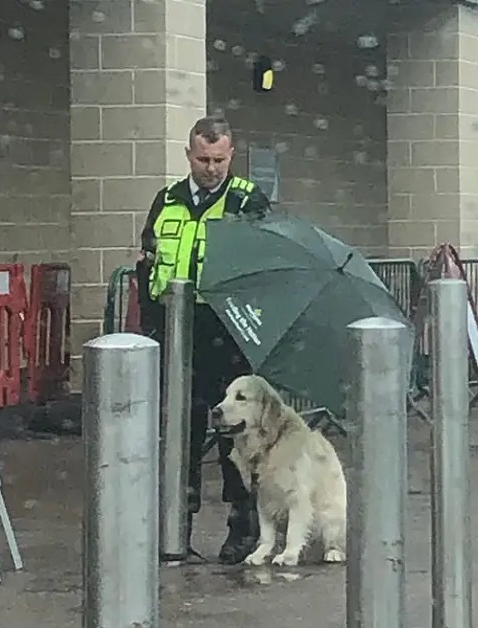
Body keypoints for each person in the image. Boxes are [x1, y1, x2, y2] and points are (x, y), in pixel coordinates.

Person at [137, 115, 273, 564]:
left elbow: (262, 268)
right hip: (177, 335)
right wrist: (153, 326)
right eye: (203, 159)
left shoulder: (247, 201)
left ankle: (242, 527)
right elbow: (149, 263)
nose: (211, 168)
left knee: (236, 436)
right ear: (189, 155)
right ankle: (176, 527)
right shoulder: (168, 200)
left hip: (228, 336)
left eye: (219, 159)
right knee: (180, 434)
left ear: (231, 155)